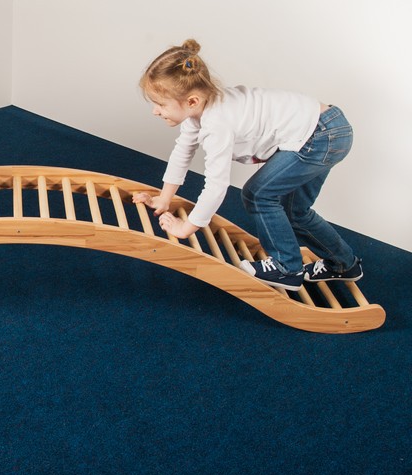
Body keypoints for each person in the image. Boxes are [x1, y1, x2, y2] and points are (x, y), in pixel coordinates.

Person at [133, 39, 362, 291]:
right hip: (328, 128)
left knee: (257, 194)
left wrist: (186, 228)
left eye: (160, 104)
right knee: (295, 211)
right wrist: (165, 198)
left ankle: (287, 269)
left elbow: (216, 186)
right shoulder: (202, 109)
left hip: (319, 136)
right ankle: (344, 264)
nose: (155, 111)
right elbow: (183, 151)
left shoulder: (217, 123)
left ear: (192, 101)